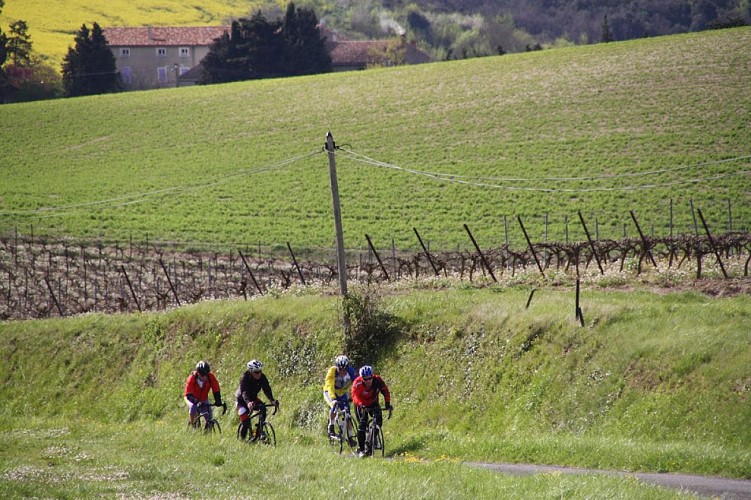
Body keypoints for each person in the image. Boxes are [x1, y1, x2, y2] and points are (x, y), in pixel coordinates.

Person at [351, 365, 392, 457]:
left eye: (370, 378)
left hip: (373, 402)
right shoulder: (357, 383)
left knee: (378, 421)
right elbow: (354, 396)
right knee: (362, 425)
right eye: (366, 379)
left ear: (372, 376)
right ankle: (361, 450)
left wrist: (387, 403)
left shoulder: (377, 380)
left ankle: (370, 442)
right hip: (361, 404)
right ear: (362, 379)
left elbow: (385, 391)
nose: (368, 381)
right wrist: (361, 405)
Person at [236, 359, 279, 440]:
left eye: (260, 371)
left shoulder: (262, 377)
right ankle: (242, 440)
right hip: (241, 400)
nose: (258, 374)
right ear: (251, 371)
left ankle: (258, 432)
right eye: (256, 372)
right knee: (245, 421)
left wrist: (272, 400)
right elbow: (244, 392)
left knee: (263, 408)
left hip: (253, 399)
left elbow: (267, 389)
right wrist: (248, 403)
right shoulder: (244, 378)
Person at [323, 355, 358, 443]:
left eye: (344, 369)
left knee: (348, 415)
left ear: (347, 367)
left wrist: (353, 396)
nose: (342, 371)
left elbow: (357, 384)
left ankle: (350, 436)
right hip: (330, 392)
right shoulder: (332, 371)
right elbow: (330, 386)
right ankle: (331, 427)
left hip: (342, 393)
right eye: (340, 369)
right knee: (334, 407)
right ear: (337, 367)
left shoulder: (351, 371)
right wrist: (333, 399)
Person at [184, 360, 222, 427]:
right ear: (198, 373)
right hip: (191, 398)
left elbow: (216, 389)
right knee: (193, 407)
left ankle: (208, 432)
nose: (204, 377)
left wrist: (218, 400)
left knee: (209, 417)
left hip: (203, 398)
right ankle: (193, 425)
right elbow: (188, 394)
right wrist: (196, 402)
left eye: (206, 375)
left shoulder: (210, 377)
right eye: (202, 375)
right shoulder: (192, 378)